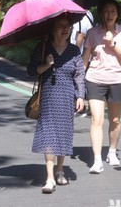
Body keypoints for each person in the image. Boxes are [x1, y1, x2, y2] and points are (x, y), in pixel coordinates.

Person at [27, 16, 85, 194]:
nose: (65, 29)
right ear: (52, 29)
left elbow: (79, 75)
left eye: (67, 26)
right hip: (48, 98)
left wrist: (81, 96)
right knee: (49, 135)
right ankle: (50, 177)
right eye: (60, 26)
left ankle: (60, 169)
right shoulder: (44, 47)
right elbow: (31, 70)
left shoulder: (74, 50)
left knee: (63, 134)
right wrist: (46, 65)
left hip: (67, 98)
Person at [82, 0, 121, 174]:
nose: (109, 15)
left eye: (113, 11)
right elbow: (85, 60)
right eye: (106, 11)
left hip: (117, 79)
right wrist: (79, 82)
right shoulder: (92, 33)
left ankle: (111, 152)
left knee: (115, 120)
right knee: (97, 119)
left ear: (117, 14)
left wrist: (113, 43)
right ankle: (97, 160)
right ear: (101, 14)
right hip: (95, 79)